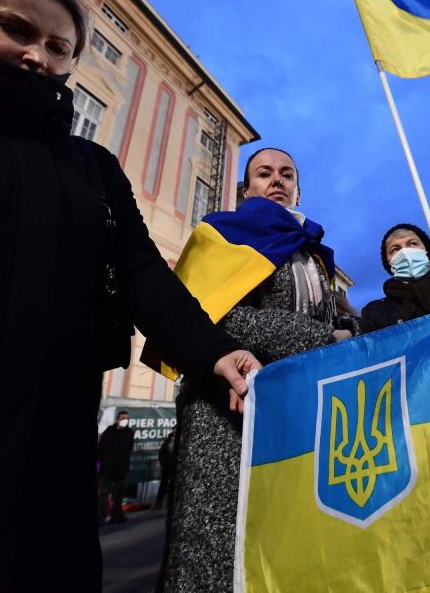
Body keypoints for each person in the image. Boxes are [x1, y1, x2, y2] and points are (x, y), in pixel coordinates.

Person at [0, 0, 259, 592]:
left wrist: (215, 352)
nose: (38, 55)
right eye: (13, 28)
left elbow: (143, 274)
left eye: (59, 48)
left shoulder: (93, 170)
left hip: (44, 455)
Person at [161, 147, 357, 591]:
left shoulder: (313, 255)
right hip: (227, 416)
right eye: (264, 173)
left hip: (296, 408)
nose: (277, 181)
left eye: (287, 174)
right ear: (245, 189)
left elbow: (327, 319)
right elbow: (211, 314)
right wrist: (324, 341)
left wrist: (348, 330)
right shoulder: (221, 233)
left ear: (298, 189)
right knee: (219, 554)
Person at [360, 223, 430, 332]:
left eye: (412, 243)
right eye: (395, 249)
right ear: (390, 264)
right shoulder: (375, 312)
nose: (404, 252)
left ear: (427, 253)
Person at [97, 411, 135, 524]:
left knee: (118, 495)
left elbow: (130, 449)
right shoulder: (109, 432)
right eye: (123, 418)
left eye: (127, 418)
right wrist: (105, 461)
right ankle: (100, 518)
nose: (125, 420)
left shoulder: (130, 433)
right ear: (117, 419)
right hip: (107, 469)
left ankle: (117, 516)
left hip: (122, 468)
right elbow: (100, 449)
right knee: (103, 495)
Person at [153, 429, 175, 510]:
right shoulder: (168, 441)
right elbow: (161, 453)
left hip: (175, 468)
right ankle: (158, 503)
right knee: (163, 486)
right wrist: (163, 464)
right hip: (166, 467)